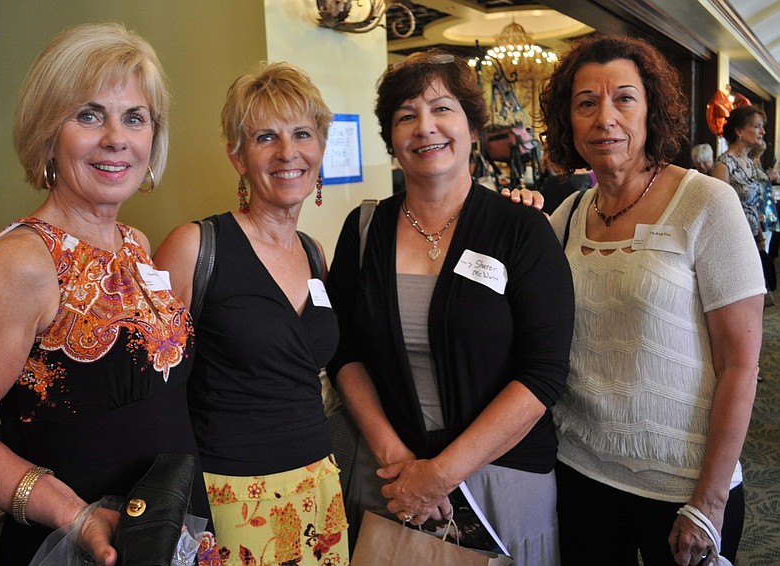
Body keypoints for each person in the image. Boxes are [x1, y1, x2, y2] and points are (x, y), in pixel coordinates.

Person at [0, 23, 212, 566]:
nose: (116, 138)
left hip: (167, 526)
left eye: (135, 118)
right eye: (89, 115)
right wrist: (73, 515)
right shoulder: (23, 261)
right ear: (47, 134)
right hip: (76, 543)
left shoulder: (135, 243)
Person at [326, 50, 575, 565]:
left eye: (442, 109)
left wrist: (441, 474)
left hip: (502, 477)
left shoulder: (522, 229)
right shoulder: (363, 230)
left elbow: (544, 373)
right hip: (390, 477)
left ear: (472, 128)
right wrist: (399, 461)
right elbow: (343, 349)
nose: (425, 128)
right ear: (391, 141)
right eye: (405, 116)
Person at [540, 35, 764, 565]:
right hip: (582, 471)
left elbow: (741, 362)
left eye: (624, 98)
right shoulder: (566, 216)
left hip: (683, 486)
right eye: (586, 103)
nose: (605, 118)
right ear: (569, 121)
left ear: (651, 109)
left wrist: (707, 501)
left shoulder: (706, 202)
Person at [153, 62, 349, 566]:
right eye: (266, 137)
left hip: (318, 487)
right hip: (228, 496)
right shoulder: (195, 247)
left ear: (321, 149)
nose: (288, 153)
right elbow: (153, 392)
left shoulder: (315, 253)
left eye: (302, 134)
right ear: (237, 156)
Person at [712, 106, 769, 249]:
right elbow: (719, 212)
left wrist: (760, 237)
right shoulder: (724, 165)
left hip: (753, 238)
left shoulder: (749, 162)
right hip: (734, 242)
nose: (763, 132)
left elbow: (752, 207)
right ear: (739, 131)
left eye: (762, 127)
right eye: (757, 127)